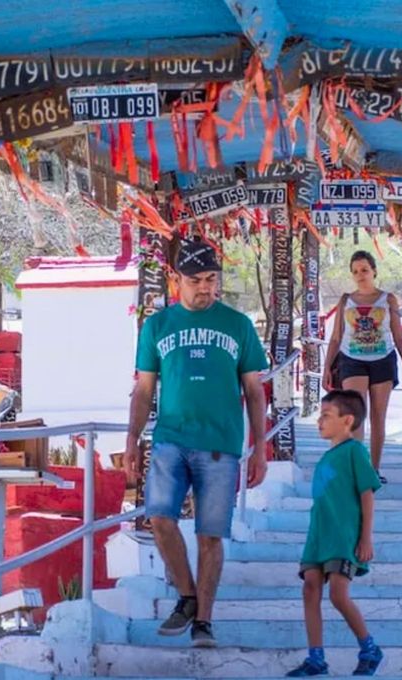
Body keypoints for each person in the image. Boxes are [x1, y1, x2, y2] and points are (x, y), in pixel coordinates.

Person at [125, 239, 270, 648]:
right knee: (159, 518)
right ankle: (187, 595)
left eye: (211, 279)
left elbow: (255, 391)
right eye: (196, 280)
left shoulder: (238, 324)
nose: (205, 288)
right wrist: (132, 438)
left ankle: (203, 620)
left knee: (211, 534)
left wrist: (260, 447)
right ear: (176, 280)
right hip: (171, 438)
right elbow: (143, 390)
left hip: (221, 444)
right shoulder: (157, 326)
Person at [287, 390, 383, 677]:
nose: (319, 421)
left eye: (326, 416)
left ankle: (369, 648)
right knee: (310, 589)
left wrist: (365, 537)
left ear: (347, 420)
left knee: (339, 595)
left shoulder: (355, 451)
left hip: (343, 537)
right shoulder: (327, 457)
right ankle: (316, 658)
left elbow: (367, 494)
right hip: (318, 536)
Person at [321, 251, 402, 483]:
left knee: (378, 417)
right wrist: (326, 367)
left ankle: (374, 468)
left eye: (364, 270)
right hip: (352, 359)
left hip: (383, 359)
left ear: (374, 271)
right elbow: (336, 336)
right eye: (356, 271)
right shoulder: (345, 300)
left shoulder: (388, 299)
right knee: (355, 415)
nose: (360, 275)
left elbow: (399, 336)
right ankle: (356, 468)